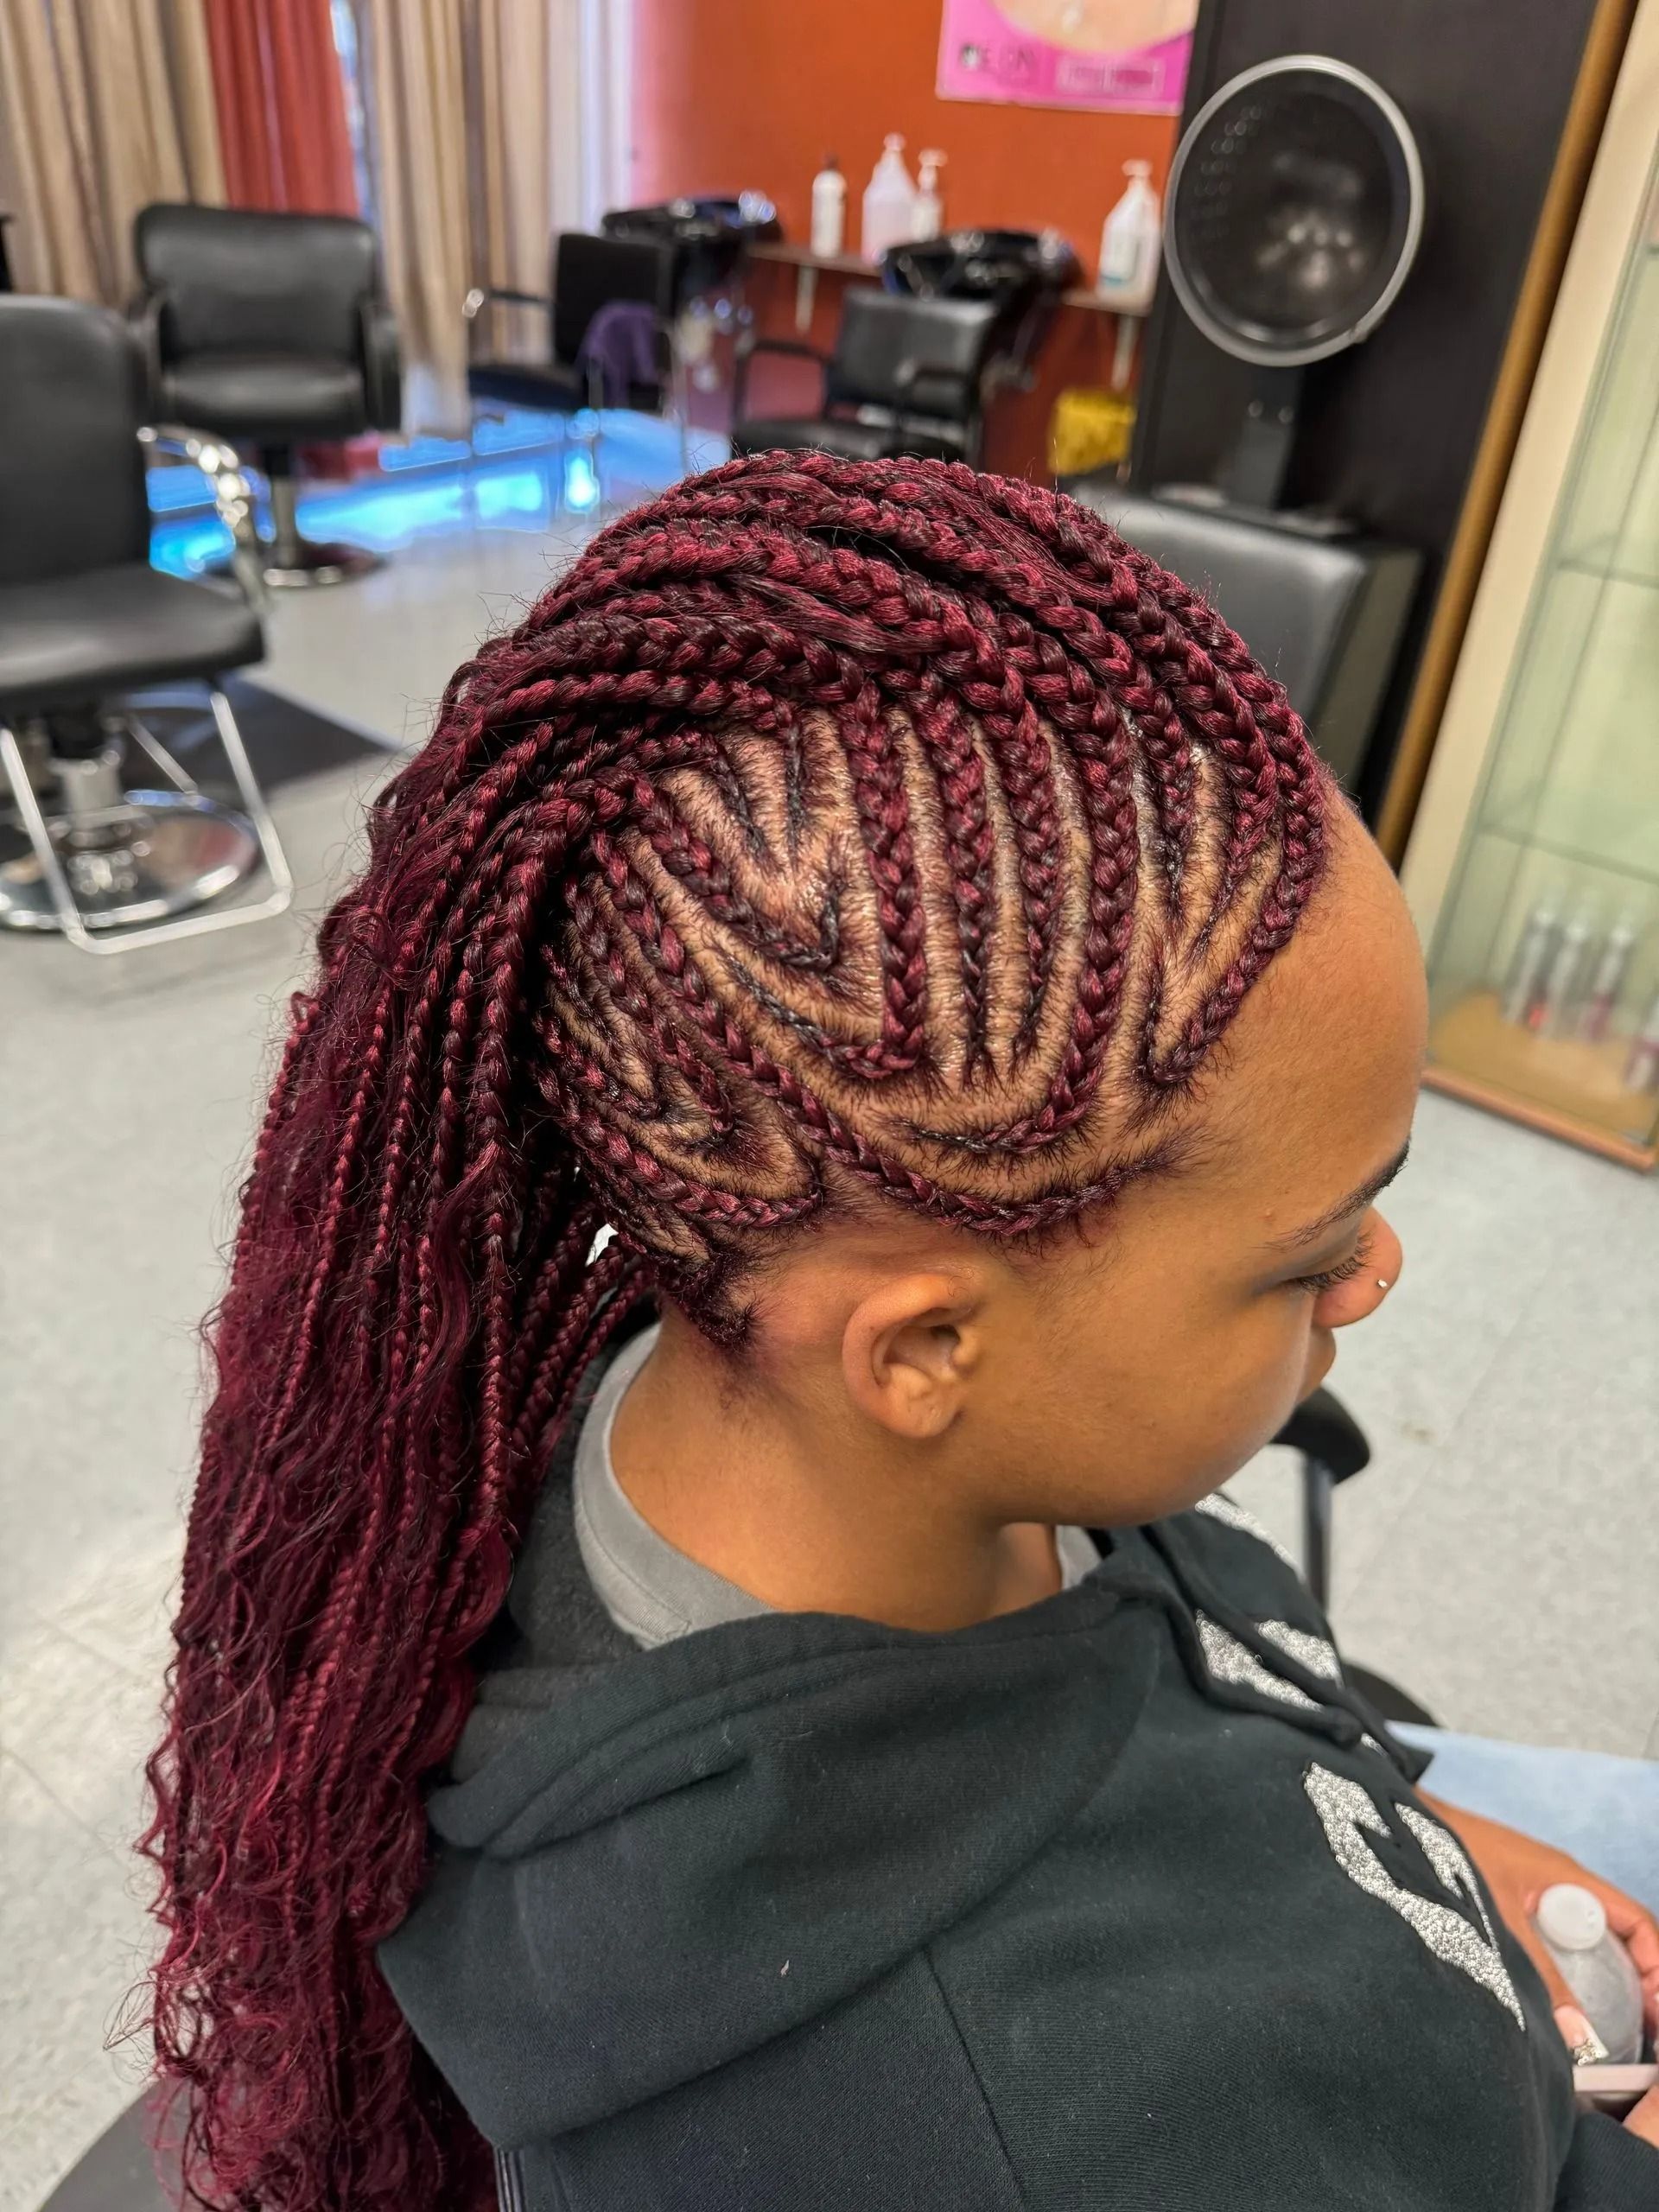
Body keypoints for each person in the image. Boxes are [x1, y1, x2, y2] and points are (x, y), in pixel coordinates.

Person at [142, 454, 1659, 2211]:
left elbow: (1184, 1665)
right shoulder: (1038, 2129)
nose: (1377, 1270)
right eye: (1304, 1254)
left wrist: (1408, 1834)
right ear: (924, 1352)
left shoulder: (768, 1359)